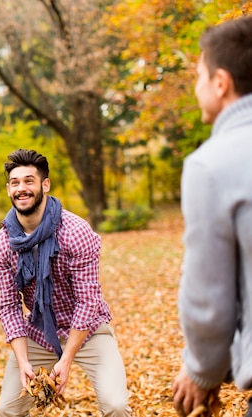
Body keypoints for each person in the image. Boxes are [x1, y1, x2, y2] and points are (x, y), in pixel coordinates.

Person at [0, 149, 131, 416]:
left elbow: (88, 301)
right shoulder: (2, 243)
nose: (22, 188)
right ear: (9, 189)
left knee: (116, 405)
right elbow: (9, 307)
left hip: (88, 330)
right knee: (7, 410)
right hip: (40, 331)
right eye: (16, 182)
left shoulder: (75, 231)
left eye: (29, 181)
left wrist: (65, 360)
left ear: (45, 185)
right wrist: (22, 362)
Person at [172, 15, 252, 417]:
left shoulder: (213, 165)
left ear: (221, 82)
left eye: (199, 74)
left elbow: (208, 299)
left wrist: (202, 372)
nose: (196, 84)